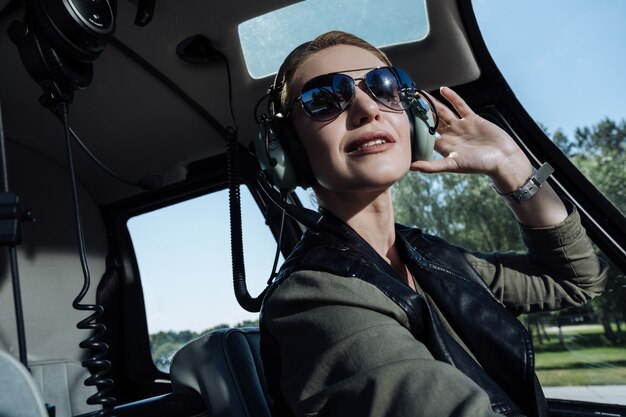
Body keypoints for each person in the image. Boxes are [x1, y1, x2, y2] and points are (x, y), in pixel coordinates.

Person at [258, 31, 607, 417]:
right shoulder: (312, 298)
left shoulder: (433, 259)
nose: (367, 109)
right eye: (324, 99)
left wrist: (512, 167)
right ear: (287, 147)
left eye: (385, 87)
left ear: (413, 121)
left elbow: (575, 280)